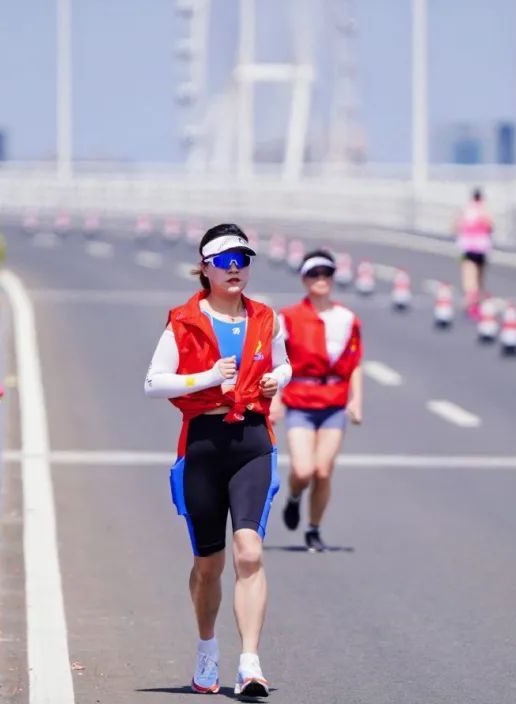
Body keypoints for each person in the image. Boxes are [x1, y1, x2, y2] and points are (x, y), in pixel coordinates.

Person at [144, 223, 291, 698]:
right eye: (226, 262)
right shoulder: (184, 321)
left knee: (250, 552)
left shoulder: (267, 318)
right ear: (204, 268)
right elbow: (155, 382)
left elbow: (283, 362)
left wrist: (277, 381)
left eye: (243, 260)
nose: (236, 270)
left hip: (252, 440)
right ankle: (207, 648)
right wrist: (206, 377)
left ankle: (250, 663)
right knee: (209, 565)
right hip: (204, 443)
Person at [270, 249, 363, 553]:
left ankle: (313, 529)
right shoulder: (289, 317)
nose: (321, 280)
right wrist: (276, 398)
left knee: (323, 470)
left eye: (326, 274)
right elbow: (277, 359)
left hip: (333, 402)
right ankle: (295, 497)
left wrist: (356, 400)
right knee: (303, 469)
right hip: (300, 401)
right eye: (314, 274)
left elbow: (355, 363)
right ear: (304, 279)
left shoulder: (347, 319)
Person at [453, 188, 493, 319]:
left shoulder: (465, 210)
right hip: (481, 248)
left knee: (469, 278)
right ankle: (476, 304)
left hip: (468, 248)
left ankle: (472, 305)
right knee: (479, 278)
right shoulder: (484, 211)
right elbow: (490, 226)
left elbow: (455, 227)